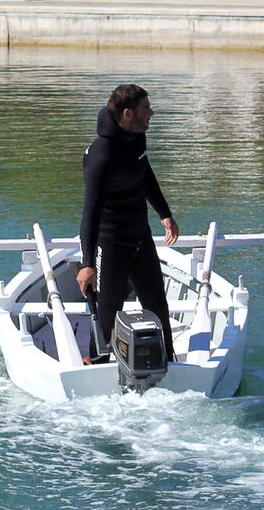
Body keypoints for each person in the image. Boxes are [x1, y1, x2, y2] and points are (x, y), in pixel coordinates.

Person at [76, 84, 179, 361]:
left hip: (140, 237)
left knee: (158, 306)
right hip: (111, 244)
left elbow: (144, 173)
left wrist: (164, 213)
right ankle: (97, 363)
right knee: (108, 311)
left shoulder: (137, 137)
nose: (152, 113)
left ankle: (168, 360)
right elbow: (91, 212)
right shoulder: (102, 156)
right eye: (146, 108)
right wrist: (87, 263)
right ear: (127, 114)